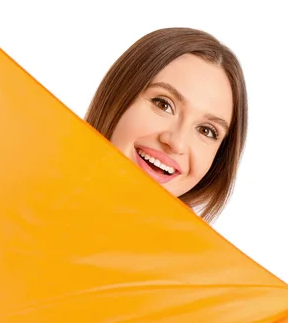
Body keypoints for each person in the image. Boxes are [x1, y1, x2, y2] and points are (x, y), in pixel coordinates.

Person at [84, 27, 248, 224]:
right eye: (163, 104)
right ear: (116, 96)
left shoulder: (196, 254)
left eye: (206, 130)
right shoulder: (37, 180)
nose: (176, 143)